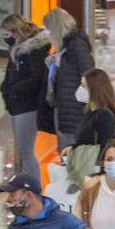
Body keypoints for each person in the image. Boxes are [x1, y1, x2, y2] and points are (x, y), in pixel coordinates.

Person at [0, 15, 52, 179]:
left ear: (16, 32)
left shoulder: (34, 50)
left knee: (26, 150)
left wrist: (15, 88)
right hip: (15, 104)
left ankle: (34, 188)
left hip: (27, 106)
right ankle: (27, 182)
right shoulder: (16, 48)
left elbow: (37, 78)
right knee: (22, 150)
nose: (5, 39)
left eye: (7, 35)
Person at [42, 9, 94, 152]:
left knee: (70, 153)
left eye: (48, 29)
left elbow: (89, 75)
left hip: (74, 110)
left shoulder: (76, 45)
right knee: (66, 151)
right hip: (65, 108)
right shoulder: (65, 47)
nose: (47, 34)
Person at [63, 68, 115, 165]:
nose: (80, 89)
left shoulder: (104, 117)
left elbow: (106, 149)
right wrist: (73, 147)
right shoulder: (90, 112)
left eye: (84, 86)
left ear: (95, 89)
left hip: (92, 170)